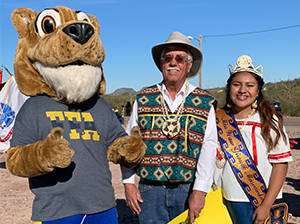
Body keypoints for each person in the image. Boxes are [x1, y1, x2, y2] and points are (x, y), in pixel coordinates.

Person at [121, 31, 217, 224]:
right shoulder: (144, 98)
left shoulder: (204, 101)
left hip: (187, 189)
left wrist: (200, 190)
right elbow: (129, 145)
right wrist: (128, 183)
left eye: (180, 58)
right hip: (149, 191)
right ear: (162, 64)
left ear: (188, 65)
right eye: (168, 58)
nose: (173, 62)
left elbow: (208, 147)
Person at [214, 55, 293, 224]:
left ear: (257, 91)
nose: (243, 90)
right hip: (223, 198)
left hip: (260, 199)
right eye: (237, 84)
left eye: (250, 85)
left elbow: (280, 165)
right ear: (229, 89)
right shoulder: (217, 119)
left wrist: (266, 205)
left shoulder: (269, 120)